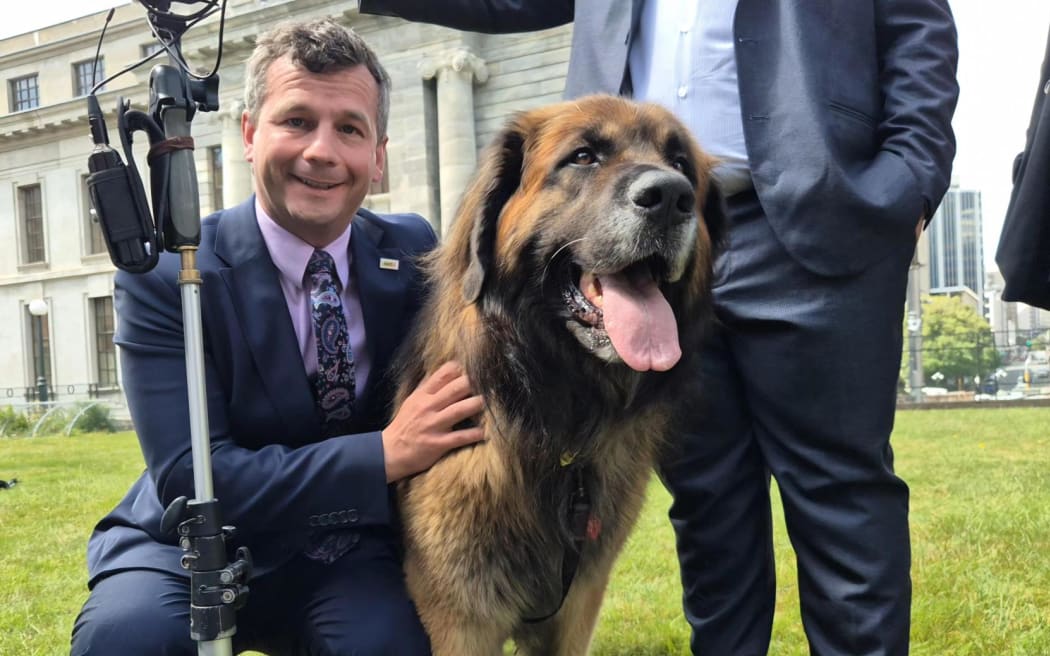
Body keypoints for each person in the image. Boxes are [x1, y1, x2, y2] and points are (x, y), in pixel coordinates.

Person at [359, 2, 959, 654]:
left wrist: (908, 185)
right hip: (613, 242)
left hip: (819, 220)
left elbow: (915, 27)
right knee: (709, 511)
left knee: (841, 499)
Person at [70, 17, 484, 655]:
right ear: (248, 133)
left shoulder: (414, 251)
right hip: (185, 543)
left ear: (377, 157)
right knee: (128, 639)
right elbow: (192, 475)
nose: (322, 150)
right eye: (296, 121)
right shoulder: (167, 274)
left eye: (349, 128)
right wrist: (384, 453)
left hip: (346, 548)